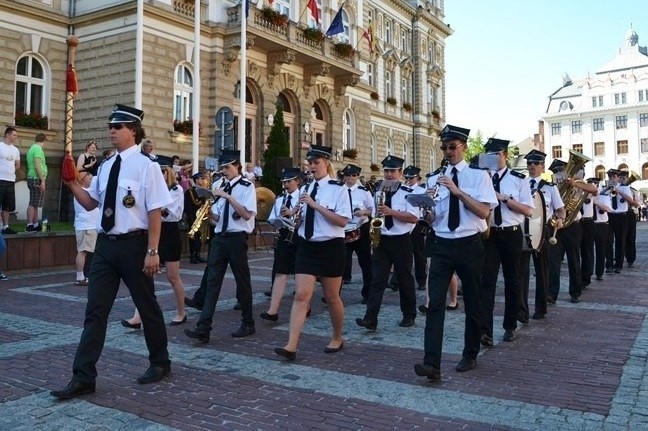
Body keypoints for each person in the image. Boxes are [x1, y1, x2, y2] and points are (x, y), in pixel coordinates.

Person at [50, 104, 173, 400]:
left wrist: (153, 251)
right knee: (95, 312)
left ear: (133, 131)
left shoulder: (148, 166)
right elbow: (91, 204)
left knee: (147, 305)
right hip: (106, 246)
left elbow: (155, 212)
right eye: (110, 127)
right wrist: (70, 183)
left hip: (135, 245)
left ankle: (160, 361)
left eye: (117, 127)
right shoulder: (105, 167)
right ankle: (83, 377)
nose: (111, 131)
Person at [414, 124, 497, 380]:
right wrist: (426, 210)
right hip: (441, 243)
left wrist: (457, 191)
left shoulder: (478, 176)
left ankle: (470, 353)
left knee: (473, 301)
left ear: (464, 147)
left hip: (469, 243)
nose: (448, 152)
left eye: (452, 147)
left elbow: (484, 212)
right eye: (444, 147)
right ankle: (432, 364)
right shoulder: (433, 178)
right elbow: (433, 217)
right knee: (435, 303)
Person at [274, 145, 351, 361]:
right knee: (301, 295)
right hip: (307, 246)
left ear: (326, 163)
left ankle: (337, 337)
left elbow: (342, 221)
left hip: (331, 247)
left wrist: (315, 205)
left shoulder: (338, 188)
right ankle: (291, 344)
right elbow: (303, 221)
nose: (312, 167)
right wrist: (294, 216)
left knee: (332, 296)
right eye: (310, 163)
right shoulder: (306, 189)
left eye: (316, 163)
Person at [184, 149, 257, 344]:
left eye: (227, 167)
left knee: (243, 281)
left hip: (237, 238)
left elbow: (247, 215)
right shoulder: (218, 185)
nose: (224, 171)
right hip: (219, 238)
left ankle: (248, 322)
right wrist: (208, 213)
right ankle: (204, 328)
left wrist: (228, 197)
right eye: (222, 167)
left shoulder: (246, 186)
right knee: (212, 283)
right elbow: (218, 218)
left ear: (237, 167)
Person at [478, 138, 533, 346]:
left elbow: (528, 210)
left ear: (506, 156)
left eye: (496, 155)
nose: (492, 159)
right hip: (489, 234)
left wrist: (504, 198)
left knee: (513, 280)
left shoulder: (519, 179)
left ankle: (510, 325)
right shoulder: (481, 177)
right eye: (488, 155)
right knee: (487, 282)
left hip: (511, 233)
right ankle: (485, 331)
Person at [356, 155, 419, 331]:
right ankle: (370, 318)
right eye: (386, 171)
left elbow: (414, 217)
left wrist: (392, 212)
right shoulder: (378, 191)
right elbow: (376, 213)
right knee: (378, 280)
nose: (389, 175)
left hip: (401, 240)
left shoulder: (408, 194)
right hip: (382, 239)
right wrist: (369, 214)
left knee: (405, 278)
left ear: (400, 173)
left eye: (393, 171)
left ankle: (409, 314)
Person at [122, 165, 188, 327]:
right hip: (153, 230)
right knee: (145, 276)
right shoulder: (152, 189)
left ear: (169, 173)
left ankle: (181, 312)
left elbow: (173, 213)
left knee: (173, 277)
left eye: (163, 171)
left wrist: (155, 207)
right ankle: (138, 316)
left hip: (169, 231)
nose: (159, 175)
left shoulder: (176, 189)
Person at [518, 150, 565, 320]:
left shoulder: (550, 187)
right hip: (523, 229)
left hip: (542, 230)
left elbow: (560, 209)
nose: (532, 166)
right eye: (529, 163)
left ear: (542, 167)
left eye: (536, 163)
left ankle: (540, 307)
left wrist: (560, 219)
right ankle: (522, 311)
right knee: (521, 272)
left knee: (542, 270)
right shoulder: (520, 184)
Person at [547, 159, 597, 304]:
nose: (559, 174)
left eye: (562, 171)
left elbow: (594, 190)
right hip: (556, 224)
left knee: (573, 259)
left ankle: (575, 291)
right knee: (553, 261)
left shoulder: (579, 184)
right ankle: (551, 293)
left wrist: (574, 183)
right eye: (558, 172)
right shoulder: (552, 185)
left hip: (573, 225)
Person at [261, 167, 302, 321]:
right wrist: (278, 220)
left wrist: (292, 215)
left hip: (299, 236)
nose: (285, 185)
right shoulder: (279, 199)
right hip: (284, 234)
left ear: (297, 181)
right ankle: (273, 311)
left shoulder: (303, 197)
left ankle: (306, 306)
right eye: (284, 182)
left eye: (289, 181)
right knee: (280, 271)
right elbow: (272, 218)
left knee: (300, 273)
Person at [341, 164, 373, 302]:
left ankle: (368, 293)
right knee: (340, 262)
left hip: (361, 228)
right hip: (343, 228)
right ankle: (334, 293)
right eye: (348, 175)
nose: (350, 178)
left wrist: (364, 212)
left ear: (358, 176)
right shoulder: (339, 190)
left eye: (353, 175)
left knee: (365, 261)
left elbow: (374, 209)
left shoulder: (363, 191)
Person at [73, 172, 100, 285]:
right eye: (89, 178)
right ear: (82, 180)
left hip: (89, 225)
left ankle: (86, 275)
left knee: (88, 252)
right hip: (86, 226)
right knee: (83, 251)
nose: (91, 180)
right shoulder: (83, 192)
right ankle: (80, 277)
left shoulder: (83, 192)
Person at [184, 171, 210, 264]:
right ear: (196, 180)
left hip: (202, 216)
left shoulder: (204, 191)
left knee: (199, 237)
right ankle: (193, 256)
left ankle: (198, 254)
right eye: (201, 179)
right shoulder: (190, 191)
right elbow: (188, 206)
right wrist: (191, 218)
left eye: (203, 179)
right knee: (193, 238)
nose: (203, 181)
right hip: (193, 217)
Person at [590, 178, 612, 281]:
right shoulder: (586, 196)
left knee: (601, 250)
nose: (595, 186)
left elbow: (608, 209)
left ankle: (599, 273)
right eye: (592, 184)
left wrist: (595, 202)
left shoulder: (604, 196)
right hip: (590, 224)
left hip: (601, 225)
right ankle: (588, 272)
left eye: (596, 184)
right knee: (588, 251)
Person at [26, 133, 48, 232]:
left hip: (34, 177)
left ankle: (35, 224)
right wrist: (42, 180)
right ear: (44, 141)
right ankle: (30, 224)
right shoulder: (38, 149)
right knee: (33, 202)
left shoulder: (32, 148)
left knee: (35, 203)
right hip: (36, 178)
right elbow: (37, 165)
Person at [0, 127, 20, 235]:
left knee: (7, 205)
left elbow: (17, 164)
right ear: (7, 135)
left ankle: (6, 226)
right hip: (0, 179)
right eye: (14, 135)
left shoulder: (15, 150)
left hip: (10, 180)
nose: (16, 137)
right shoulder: (0, 146)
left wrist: (11, 170)